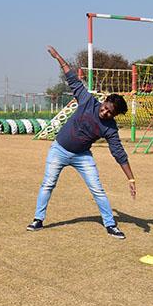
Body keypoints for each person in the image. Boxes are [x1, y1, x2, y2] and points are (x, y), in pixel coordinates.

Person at [27, 46, 135, 239]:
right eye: (105, 108)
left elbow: (118, 152)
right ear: (103, 102)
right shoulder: (87, 101)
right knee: (48, 184)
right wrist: (58, 57)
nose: (105, 113)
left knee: (97, 189)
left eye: (110, 113)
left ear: (115, 115)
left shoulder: (110, 128)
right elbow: (72, 79)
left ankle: (110, 225)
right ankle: (38, 219)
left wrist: (131, 178)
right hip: (59, 150)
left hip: (82, 156)